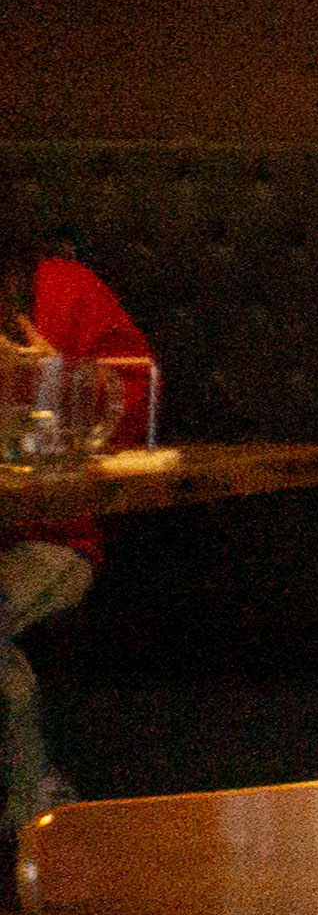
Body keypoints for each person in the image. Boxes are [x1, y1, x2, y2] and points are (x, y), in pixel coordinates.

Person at [0, 237, 157, 829]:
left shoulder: (58, 289)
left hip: (48, 540)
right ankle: (34, 808)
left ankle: (30, 818)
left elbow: (137, 400)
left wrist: (54, 380)